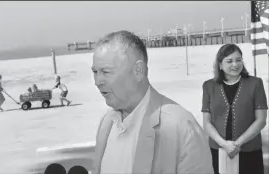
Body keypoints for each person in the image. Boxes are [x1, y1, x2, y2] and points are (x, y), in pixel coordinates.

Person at [91, 30, 213, 174]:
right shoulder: (106, 123)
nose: (98, 81)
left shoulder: (181, 127)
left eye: (106, 72)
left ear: (138, 71)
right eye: (95, 72)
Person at [201, 44, 268, 174]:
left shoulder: (255, 83)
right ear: (220, 65)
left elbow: (261, 120)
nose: (235, 64)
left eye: (239, 60)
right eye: (229, 61)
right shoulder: (209, 86)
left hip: (250, 150)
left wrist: (237, 144)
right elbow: (207, 123)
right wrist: (224, 144)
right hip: (218, 150)